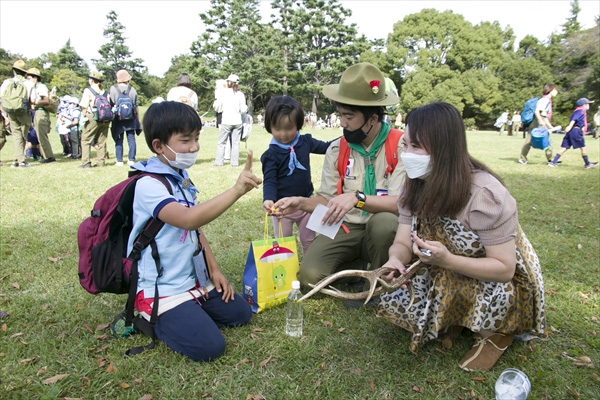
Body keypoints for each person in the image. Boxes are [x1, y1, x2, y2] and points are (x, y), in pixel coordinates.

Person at [376, 102, 545, 371]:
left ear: (445, 149)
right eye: (405, 144)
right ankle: (457, 317)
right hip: (445, 262)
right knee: (404, 295)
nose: (407, 154)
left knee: (495, 291)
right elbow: (401, 241)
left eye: (416, 146)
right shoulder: (414, 183)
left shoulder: (485, 194)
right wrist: (395, 260)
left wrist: (447, 261)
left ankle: (498, 334)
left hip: (499, 275)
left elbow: (504, 269)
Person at [129, 101, 262, 361]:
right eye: (186, 140)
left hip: (191, 280)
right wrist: (236, 191)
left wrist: (214, 270)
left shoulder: (180, 175)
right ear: (158, 146)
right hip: (161, 288)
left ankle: (192, 306)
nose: (194, 147)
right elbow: (188, 219)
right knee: (210, 348)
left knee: (240, 313)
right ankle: (150, 315)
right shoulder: (148, 184)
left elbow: (196, 231)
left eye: (197, 138)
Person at [273, 62, 405, 292]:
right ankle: (356, 266)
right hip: (345, 226)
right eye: (340, 115)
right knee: (309, 277)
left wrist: (358, 198)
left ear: (373, 118)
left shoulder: (401, 146)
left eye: (349, 117)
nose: (342, 123)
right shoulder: (337, 149)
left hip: (384, 225)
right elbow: (326, 200)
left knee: (384, 223)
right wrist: (300, 203)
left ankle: (379, 281)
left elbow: (399, 204)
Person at [261, 96, 332, 255]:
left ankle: (309, 264)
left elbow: (327, 147)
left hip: (306, 203)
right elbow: (270, 180)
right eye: (277, 128)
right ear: (269, 126)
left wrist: (344, 139)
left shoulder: (305, 142)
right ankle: (286, 270)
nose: (283, 134)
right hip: (281, 208)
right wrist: (268, 199)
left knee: (308, 239)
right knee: (283, 242)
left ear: (298, 124)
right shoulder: (271, 155)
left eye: (289, 128)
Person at [548, 98, 598, 169]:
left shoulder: (577, 110)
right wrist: (569, 126)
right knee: (583, 147)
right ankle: (587, 164)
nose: (588, 105)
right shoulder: (581, 110)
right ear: (584, 105)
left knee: (565, 147)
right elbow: (574, 119)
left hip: (572, 131)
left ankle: (553, 162)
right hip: (575, 131)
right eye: (587, 104)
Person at [0, 60, 34, 167]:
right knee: (22, 135)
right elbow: (32, 100)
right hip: (24, 111)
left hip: (10, 111)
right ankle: (21, 161)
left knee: (16, 135)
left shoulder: (7, 82)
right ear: (25, 72)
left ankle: (16, 160)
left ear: (14, 70)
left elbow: (1, 96)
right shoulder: (29, 83)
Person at [213, 74, 247, 167]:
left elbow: (217, 107)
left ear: (229, 82)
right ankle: (234, 163)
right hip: (237, 122)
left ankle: (219, 162)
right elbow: (243, 109)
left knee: (221, 143)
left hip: (226, 121)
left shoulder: (223, 93)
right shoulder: (240, 94)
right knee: (235, 143)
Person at [109, 69, 141, 166]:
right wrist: (137, 119)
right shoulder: (132, 90)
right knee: (131, 138)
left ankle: (119, 160)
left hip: (117, 118)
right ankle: (131, 159)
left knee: (119, 138)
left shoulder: (113, 89)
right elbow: (136, 106)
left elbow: (111, 103)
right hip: (131, 117)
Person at [519, 84, 557, 164]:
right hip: (536, 122)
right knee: (529, 140)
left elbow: (544, 116)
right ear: (550, 90)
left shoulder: (547, 100)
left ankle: (551, 159)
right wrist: (540, 121)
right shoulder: (544, 100)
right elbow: (537, 111)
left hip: (540, 121)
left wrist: (550, 126)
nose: (556, 91)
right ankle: (522, 158)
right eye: (554, 90)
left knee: (547, 140)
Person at [79, 71, 110, 168]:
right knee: (102, 141)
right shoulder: (105, 92)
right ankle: (101, 162)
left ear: (92, 80)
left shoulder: (88, 91)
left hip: (93, 116)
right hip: (105, 118)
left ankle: (86, 162)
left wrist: (84, 117)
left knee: (85, 139)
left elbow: (84, 106)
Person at [26, 67, 55, 163]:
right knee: (39, 136)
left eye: (29, 78)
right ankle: (45, 155)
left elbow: (46, 100)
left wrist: (35, 102)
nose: (28, 80)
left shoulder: (41, 87)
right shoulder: (35, 87)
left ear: (35, 78)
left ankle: (49, 157)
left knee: (42, 136)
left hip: (41, 112)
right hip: (36, 112)